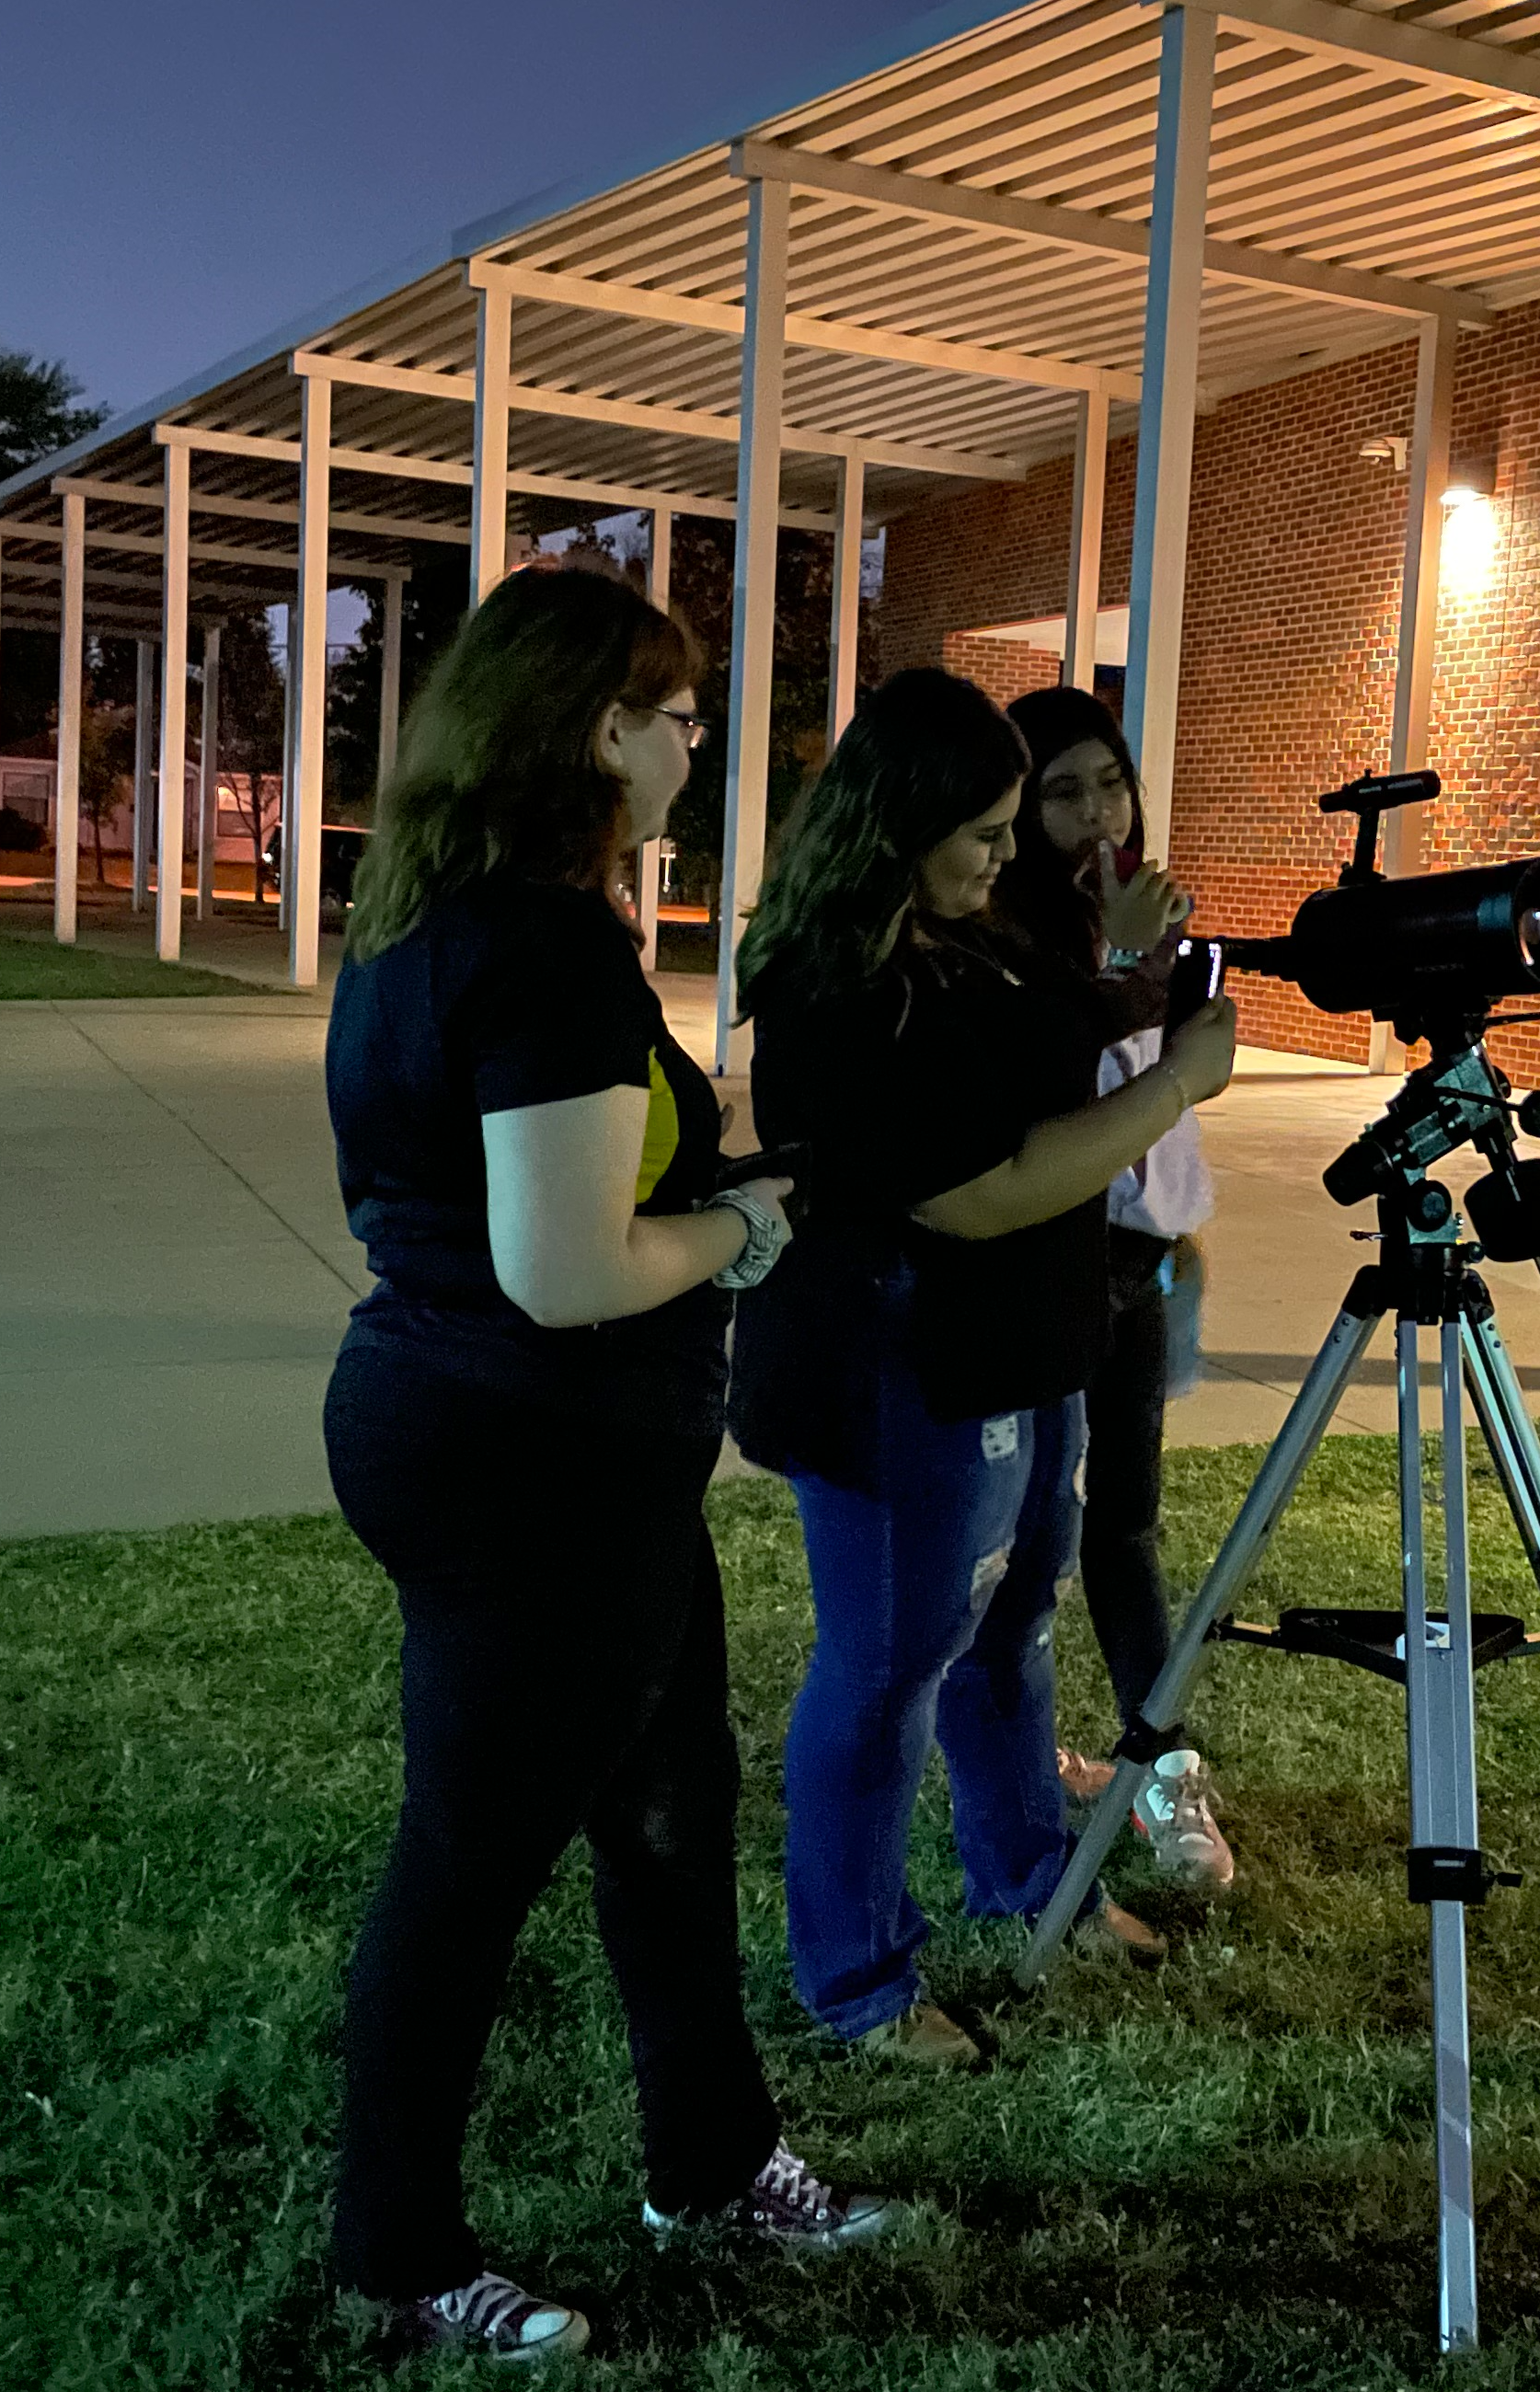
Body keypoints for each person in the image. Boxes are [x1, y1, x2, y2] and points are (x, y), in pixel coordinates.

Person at [318, 567, 890, 2365]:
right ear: (594, 730)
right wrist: (748, 1228)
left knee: (664, 1818)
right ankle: (399, 2249)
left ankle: (711, 2158)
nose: (697, 737)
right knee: (468, 1865)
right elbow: (563, 1271)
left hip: (526, 1448)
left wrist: (699, 1200)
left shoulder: (430, 923)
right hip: (531, 1465)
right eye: (674, 708)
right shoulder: (546, 948)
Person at [730, 668, 1239, 2068]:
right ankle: (858, 1977)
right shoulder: (837, 984)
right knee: (888, 1668)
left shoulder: (972, 940)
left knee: (1010, 1630)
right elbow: (977, 1192)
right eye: (987, 827)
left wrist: (1139, 994)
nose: (1009, 851)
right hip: (898, 1371)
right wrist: (1177, 1085)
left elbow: (1055, 1019)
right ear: (902, 821)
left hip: (1019, 1347)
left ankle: (1033, 1883)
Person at [994, 684, 1234, 1890]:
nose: (1096, 812)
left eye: (1110, 781)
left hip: (1141, 1271)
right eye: (1062, 789)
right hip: (1051, 1274)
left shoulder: (1141, 908)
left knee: (1125, 1532)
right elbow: (1069, 1081)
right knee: (1027, 1539)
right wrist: (1135, 957)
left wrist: (1183, 1225)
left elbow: (1175, 1081)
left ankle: (1162, 1766)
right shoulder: (1012, 928)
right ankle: (1010, 1766)